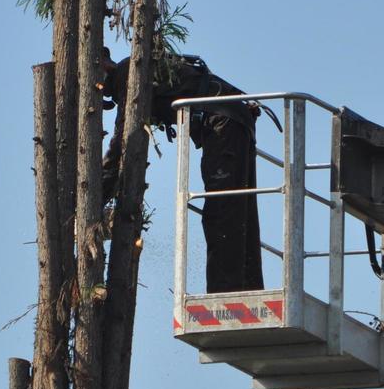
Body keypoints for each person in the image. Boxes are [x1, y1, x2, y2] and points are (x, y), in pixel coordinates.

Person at [100, 51, 263, 294]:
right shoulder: (136, 66)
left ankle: (224, 295)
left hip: (222, 122)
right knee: (238, 209)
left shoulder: (129, 72)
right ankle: (248, 289)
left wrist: (97, 194)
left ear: (102, 64)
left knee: (222, 212)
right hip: (232, 119)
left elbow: (123, 140)